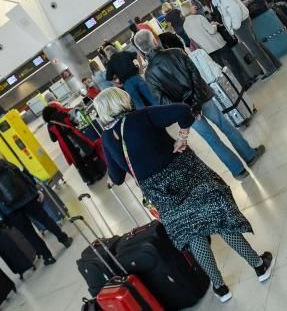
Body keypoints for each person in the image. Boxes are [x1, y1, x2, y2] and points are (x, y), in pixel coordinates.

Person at [94, 89, 274, 302]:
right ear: (121, 101)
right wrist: (182, 137)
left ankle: (220, 288)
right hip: (185, 173)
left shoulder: (106, 138)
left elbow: (117, 177)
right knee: (219, 220)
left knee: (192, 232)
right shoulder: (143, 116)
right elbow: (183, 111)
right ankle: (258, 265)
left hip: (159, 193)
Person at [133, 30, 264, 179]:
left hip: (186, 114)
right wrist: (195, 102)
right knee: (225, 126)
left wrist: (187, 109)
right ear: (155, 41)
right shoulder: (177, 52)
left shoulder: (149, 74)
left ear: (140, 50)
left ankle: (238, 171)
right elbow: (195, 75)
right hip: (203, 99)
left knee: (211, 140)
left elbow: (163, 101)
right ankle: (250, 156)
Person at [0, 148, 72, 266]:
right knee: (45, 219)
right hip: (26, 198)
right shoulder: (2, 163)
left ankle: (48, 257)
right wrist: (34, 190)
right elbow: (21, 175)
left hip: (9, 210)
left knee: (29, 233)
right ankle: (64, 239)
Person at [203, 0, 281, 79]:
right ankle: (274, 64)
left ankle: (270, 68)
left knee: (254, 48)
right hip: (242, 22)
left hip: (241, 24)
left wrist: (235, 26)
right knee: (257, 44)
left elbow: (234, 11)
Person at [180, 2, 249, 85]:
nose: (194, 6)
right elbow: (211, 31)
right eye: (192, 6)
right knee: (233, 63)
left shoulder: (185, 25)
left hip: (207, 51)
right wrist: (214, 25)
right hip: (218, 45)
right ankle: (244, 83)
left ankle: (235, 86)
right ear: (188, 9)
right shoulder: (199, 17)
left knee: (222, 70)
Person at [42, 103, 106, 186]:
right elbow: (76, 122)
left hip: (66, 145)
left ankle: (88, 180)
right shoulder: (63, 114)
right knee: (87, 156)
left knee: (78, 162)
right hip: (76, 138)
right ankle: (97, 174)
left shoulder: (49, 125)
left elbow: (53, 139)